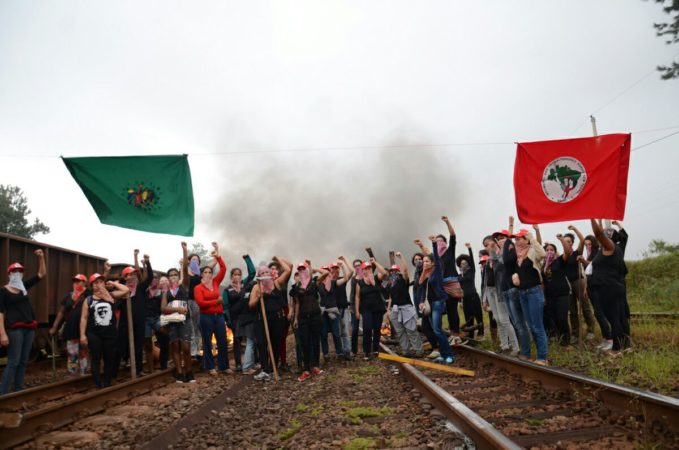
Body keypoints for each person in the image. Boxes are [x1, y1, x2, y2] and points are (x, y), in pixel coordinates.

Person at [0, 249, 46, 394]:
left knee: (23, 361)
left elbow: (41, 275)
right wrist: (2, 334)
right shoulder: (3, 291)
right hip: (14, 329)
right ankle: (4, 392)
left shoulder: (23, 287)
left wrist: (41, 257)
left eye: (20, 271)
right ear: (9, 274)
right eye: (14, 271)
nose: (17, 273)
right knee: (13, 361)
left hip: (29, 327)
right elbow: (0, 313)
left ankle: (18, 389)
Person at [80, 273, 130, 388]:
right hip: (94, 334)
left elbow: (126, 290)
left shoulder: (111, 295)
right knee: (96, 358)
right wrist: (82, 335)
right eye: (96, 283)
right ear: (92, 286)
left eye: (101, 282)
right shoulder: (89, 300)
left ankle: (107, 381)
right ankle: (98, 383)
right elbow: (84, 318)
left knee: (109, 358)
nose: (99, 285)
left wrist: (112, 283)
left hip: (110, 334)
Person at [589, 219, 630, 356]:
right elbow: (600, 234)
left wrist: (591, 216)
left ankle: (616, 349)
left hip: (609, 288)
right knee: (620, 317)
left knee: (614, 318)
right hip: (613, 286)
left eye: (607, 235)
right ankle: (626, 346)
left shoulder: (610, 247)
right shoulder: (608, 249)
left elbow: (599, 234)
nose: (603, 237)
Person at [248, 256, 292, 381]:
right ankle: (265, 369)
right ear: (259, 275)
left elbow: (288, 270)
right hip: (262, 320)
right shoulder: (257, 287)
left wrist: (278, 259)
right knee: (262, 344)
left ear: (271, 273)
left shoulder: (277, 283)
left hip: (277, 319)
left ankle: (273, 369)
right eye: (262, 273)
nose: (265, 274)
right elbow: (250, 304)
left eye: (267, 272)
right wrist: (258, 297)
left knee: (275, 344)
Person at [511, 227, 549, 365]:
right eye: (516, 239)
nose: (517, 241)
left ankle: (542, 357)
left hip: (534, 291)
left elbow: (543, 254)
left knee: (537, 326)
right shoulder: (518, 255)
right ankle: (538, 355)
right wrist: (515, 275)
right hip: (523, 293)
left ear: (526, 239)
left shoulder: (532, 251)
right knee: (531, 326)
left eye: (520, 238)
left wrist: (532, 237)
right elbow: (518, 270)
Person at [414, 236, 455, 364]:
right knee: (435, 330)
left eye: (427, 261)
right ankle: (443, 355)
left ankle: (449, 355)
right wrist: (421, 302)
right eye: (424, 261)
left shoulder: (436, 271)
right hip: (430, 304)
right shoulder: (425, 274)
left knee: (437, 330)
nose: (425, 263)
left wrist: (433, 243)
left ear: (432, 263)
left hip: (438, 303)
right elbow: (423, 291)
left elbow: (436, 257)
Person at [194, 242, 231, 375]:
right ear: (202, 274)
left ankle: (224, 366)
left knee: (222, 341)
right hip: (206, 317)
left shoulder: (215, 282)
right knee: (208, 343)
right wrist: (216, 301)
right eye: (206, 272)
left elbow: (224, 269)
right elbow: (201, 302)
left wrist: (218, 256)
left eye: (210, 272)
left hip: (219, 317)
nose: (208, 274)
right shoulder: (198, 288)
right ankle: (210, 366)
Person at [161, 242, 195, 383]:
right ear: (168, 279)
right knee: (175, 346)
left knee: (186, 348)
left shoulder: (184, 287)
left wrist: (185, 251)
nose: (173, 277)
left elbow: (186, 270)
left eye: (175, 274)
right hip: (173, 323)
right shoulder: (166, 293)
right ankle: (179, 373)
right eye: (171, 275)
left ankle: (189, 371)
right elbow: (163, 309)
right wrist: (177, 309)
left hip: (185, 321)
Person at [484, 232, 520, 355]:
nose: (488, 247)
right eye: (486, 245)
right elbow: (485, 282)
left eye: (490, 244)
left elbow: (501, 264)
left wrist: (494, 251)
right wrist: (484, 299)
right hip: (491, 292)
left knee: (504, 320)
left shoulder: (501, 255)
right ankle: (504, 345)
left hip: (500, 291)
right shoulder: (488, 261)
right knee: (498, 320)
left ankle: (515, 347)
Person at [49, 273, 91, 376]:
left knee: (83, 353)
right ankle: (72, 375)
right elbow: (61, 312)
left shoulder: (88, 294)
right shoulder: (69, 295)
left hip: (84, 329)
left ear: (84, 283)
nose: (76, 283)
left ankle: (83, 374)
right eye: (75, 281)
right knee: (72, 354)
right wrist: (54, 326)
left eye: (79, 281)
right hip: (71, 328)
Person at [383, 252, 423, 357]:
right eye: (392, 271)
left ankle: (418, 350)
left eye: (396, 271)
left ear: (398, 271)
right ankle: (406, 351)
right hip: (395, 310)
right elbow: (391, 298)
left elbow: (406, 271)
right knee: (400, 332)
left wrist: (401, 257)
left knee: (411, 330)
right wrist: (388, 311)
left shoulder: (403, 280)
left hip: (406, 308)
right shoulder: (390, 283)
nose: (394, 273)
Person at [578, 235, 613, 351]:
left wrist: (584, 261)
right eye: (586, 244)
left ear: (594, 244)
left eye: (589, 244)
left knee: (600, 313)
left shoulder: (598, 253)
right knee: (597, 313)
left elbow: (594, 268)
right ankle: (605, 338)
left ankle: (610, 339)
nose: (588, 246)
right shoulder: (589, 255)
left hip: (599, 287)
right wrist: (585, 288)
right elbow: (588, 274)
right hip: (591, 286)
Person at [563, 225, 596, 343]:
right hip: (568, 284)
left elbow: (582, 240)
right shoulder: (563, 256)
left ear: (572, 243)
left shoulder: (577, 252)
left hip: (579, 281)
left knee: (585, 307)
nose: (567, 243)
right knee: (572, 310)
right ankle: (575, 333)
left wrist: (575, 229)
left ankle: (591, 330)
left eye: (569, 241)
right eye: (565, 241)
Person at [291, 262, 324, 382]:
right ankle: (306, 369)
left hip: (315, 315)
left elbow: (325, 273)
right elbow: (297, 303)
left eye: (303, 269)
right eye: (299, 270)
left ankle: (315, 366)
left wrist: (312, 268)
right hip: (303, 318)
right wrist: (295, 318)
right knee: (304, 342)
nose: (301, 271)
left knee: (315, 341)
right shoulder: (296, 287)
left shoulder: (314, 282)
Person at [223, 254, 256, 372]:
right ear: (231, 276)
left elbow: (252, 273)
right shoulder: (227, 290)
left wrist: (247, 259)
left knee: (249, 339)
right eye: (234, 274)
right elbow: (225, 306)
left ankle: (251, 362)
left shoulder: (244, 284)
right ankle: (238, 364)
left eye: (238, 274)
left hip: (246, 316)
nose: (237, 276)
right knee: (237, 340)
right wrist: (228, 320)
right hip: (235, 318)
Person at [318, 259, 351, 360]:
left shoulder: (334, 282)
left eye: (326, 271)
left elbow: (347, 277)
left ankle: (341, 352)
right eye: (323, 271)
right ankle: (326, 354)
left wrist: (343, 265)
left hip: (335, 311)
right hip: (323, 312)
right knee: (323, 334)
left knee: (337, 333)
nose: (325, 274)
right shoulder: (317, 284)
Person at [542, 237, 572, 348]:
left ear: (555, 252)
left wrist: (562, 240)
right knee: (553, 318)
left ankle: (567, 342)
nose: (549, 252)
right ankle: (559, 340)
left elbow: (568, 252)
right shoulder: (543, 266)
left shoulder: (559, 261)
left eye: (552, 250)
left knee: (562, 318)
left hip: (562, 294)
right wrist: (544, 297)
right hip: (550, 296)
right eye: (547, 250)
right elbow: (543, 283)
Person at [355, 258, 386, 360]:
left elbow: (384, 273)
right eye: (365, 268)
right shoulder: (359, 283)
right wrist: (357, 311)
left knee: (377, 329)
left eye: (369, 268)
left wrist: (375, 262)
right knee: (367, 329)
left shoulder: (377, 278)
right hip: (366, 309)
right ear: (362, 271)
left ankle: (376, 349)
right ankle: (367, 351)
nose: (367, 270)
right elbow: (357, 297)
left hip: (378, 308)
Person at [411, 252, 439, 359]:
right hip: (423, 303)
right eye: (416, 259)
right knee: (426, 327)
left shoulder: (432, 272)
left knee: (434, 327)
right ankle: (436, 348)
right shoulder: (419, 273)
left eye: (421, 260)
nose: (419, 262)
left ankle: (440, 347)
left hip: (433, 303)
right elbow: (420, 289)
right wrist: (420, 302)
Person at [457, 243, 484, 340]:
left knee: (478, 315)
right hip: (465, 299)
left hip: (473, 296)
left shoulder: (471, 272)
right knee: (468, 318)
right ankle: (471, 335)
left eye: (465, 263)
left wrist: (470, 249)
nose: (463, 264)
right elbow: (458, 288)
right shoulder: (459, 276)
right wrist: (460, 301)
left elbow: (472, 261)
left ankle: (481, 334)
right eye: (461, 263)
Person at [145, 272, 170, 373]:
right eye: (152, 277)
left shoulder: (161, 292)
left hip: (158, 319)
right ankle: (151, 369)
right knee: (147, 345)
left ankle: (164, 365)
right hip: (146, 320)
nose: (153, 279)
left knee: (165, 338)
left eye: (155, 277)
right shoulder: (144, 291)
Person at [329, 260, 353, 359]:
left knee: (345, 332)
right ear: (330, 270)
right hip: (334, 311)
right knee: (336, 333)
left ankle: (347, 351)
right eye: (333, 268)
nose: (335, 270)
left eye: (336, 268)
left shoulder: (342, 280)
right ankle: (340, 352)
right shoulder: (328, 282)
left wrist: (343, 265)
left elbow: (351, 272)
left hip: (344, 309)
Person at [349, 259, 363, 357]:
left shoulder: (367, 275)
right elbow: (353, 294)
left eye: (359, 265)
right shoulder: (354, 279)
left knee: (367, 328)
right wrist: (352, 307)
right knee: (355, 329)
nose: (357, 267)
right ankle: (354, 350)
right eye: (356, 266)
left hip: (366, 305)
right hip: (354, 305)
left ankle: (367, 349)